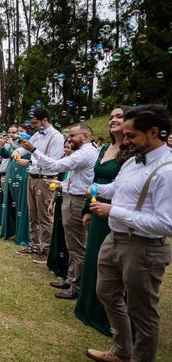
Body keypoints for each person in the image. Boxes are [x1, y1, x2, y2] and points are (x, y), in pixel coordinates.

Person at [87, 105, 172, 362]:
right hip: (116, 239)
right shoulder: (134, 161)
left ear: (153, 132)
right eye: (124, 135)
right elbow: (118, 189)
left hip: (144, 248)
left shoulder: (167, 170)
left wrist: (114, 211)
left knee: (142, 310)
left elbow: (164, 224)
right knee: (106, 292)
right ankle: (122, 350)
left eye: (131, 135)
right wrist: (97, 189)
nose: (125, 141)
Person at [20, 124, 98, 288]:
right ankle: (71, 279)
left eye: (72, 135)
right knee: (71, 244)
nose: (69, 139)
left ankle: (77, 286)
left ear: (85, 136)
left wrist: (34, 150)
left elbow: (55, 166)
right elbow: (76, 178)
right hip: (71, 197)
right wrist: (62, 184)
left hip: (78, 201)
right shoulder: (83, 152)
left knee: (77, 246)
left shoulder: (87, 153)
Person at [75, 107, 130, 335]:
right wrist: (88, 209)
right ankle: (87, 307)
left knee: (114, 265)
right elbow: (96, 179)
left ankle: (106, 314)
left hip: (116, 210)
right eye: (111, 117)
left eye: (119, 116)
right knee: (94, 257)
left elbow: (127, 187)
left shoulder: (131, 151)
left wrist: (112, 208)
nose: (113, 120)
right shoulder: (105, 148)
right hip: (98, 207)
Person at [15, 107, 65, 260]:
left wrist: (33, 150)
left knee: (45, 217)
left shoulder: (56, 137)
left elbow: (53, 163)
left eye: (35, 123)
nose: (34, 126)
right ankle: (34, 246)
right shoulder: (37, 135)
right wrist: (16, 151)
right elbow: (24, 149)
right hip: (32, 177)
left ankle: (47, 251)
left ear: (44, 120)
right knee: (33, 215)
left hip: (45, 180)